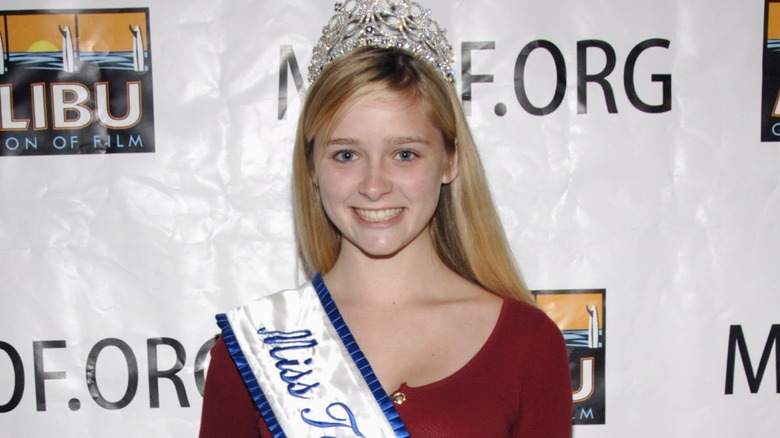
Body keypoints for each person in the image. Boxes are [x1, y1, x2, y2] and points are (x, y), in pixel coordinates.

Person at [199, 1, 572, 436]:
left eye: (405, 154)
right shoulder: (253, 350)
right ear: (312, 168)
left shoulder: (526, 344)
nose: (374, 185)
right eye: (347, 154)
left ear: (450, 161)